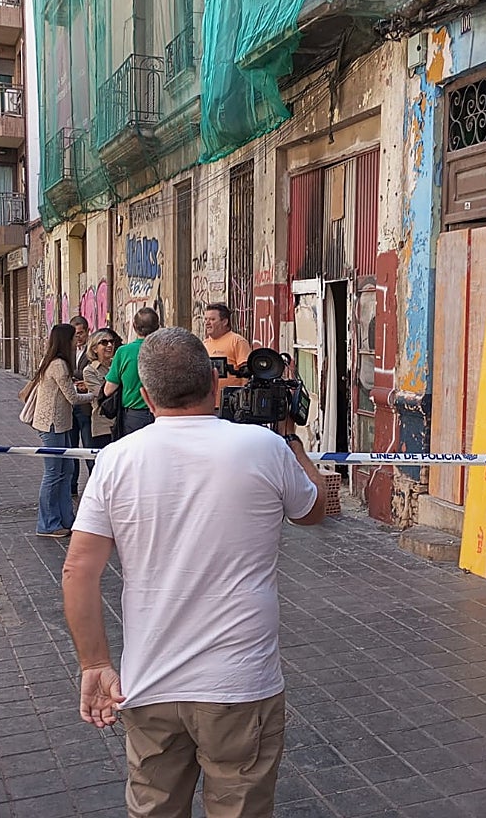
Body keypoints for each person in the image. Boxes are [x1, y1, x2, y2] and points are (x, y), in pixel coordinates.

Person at [61, 327, 327, 817]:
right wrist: (290, 438)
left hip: (149, 682)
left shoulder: (116, 459)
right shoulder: (261, 448)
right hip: (240, 684)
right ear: (214, 379)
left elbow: (78, 570)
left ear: (144, 394)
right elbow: (314, 509)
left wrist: (95, 664)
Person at [25, 323, 93, 539]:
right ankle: (47, 523)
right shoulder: (59, 365)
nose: (77, 341)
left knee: (67, 472)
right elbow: (72, 398)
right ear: (67, 340)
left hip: (61, 424)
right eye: (74, 337)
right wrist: (95, 394)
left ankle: (66, 519)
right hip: (51, 425)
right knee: (54, 474)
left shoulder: (57, 364)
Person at [102, 308, 159, 436]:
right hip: (161, 413)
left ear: (134, 327)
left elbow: (108, 390)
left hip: (133, 415)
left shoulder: (124, 352)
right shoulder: (165, 349)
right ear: (157, 326)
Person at [203, 303, 252, 408]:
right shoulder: (204, 345)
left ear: (224, 321)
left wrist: (243, 401)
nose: (207, 323)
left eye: (212, 319)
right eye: (206, 319)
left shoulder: (237, 341)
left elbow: (246, 375)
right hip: (210, 406)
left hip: (231, 405)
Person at [82, 329, 121, 454]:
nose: (109, 345)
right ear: (94, 348)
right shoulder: (90, 371)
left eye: (111, 342)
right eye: (104, 342)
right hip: (103, 423)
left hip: (121, 420)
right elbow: (103, 393)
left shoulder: (118, 364)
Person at [69, 316, 92, 496]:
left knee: (89, 447)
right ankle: (72, 486)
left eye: (81, 333)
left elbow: (91, 373)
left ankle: (94, 486)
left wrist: (75, 375)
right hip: (70, 406)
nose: (78, 338)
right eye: (75, 334)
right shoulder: (67, 351)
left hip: (86, 407)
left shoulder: (92, 350)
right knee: (71, 450)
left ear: (87, 331)